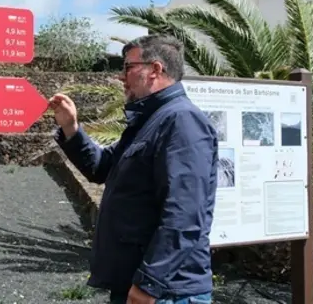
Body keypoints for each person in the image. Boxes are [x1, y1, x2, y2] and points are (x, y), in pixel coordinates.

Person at [49, 34, 218, 304]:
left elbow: (185, 214)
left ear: (155, 70)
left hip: (166, 292)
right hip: (138, 282)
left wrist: (149, 284)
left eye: (128, 67)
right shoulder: (150, 120)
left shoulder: (182, 121)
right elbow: (100, 167)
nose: (121, 77)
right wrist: (71, 128)